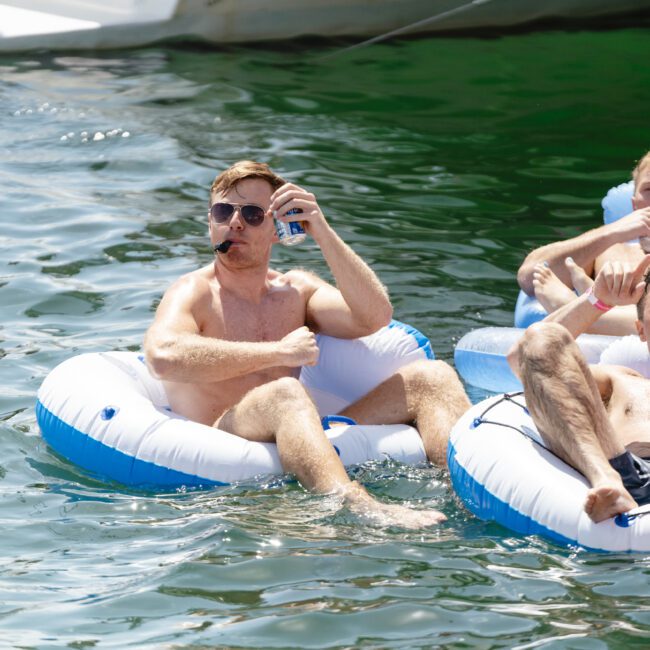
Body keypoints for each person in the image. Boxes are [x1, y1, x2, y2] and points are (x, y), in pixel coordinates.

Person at [144, 160, 470, 529]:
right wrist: (278, 352)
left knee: (432, 377)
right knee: (285, 391)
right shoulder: (196, 291)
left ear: (278, 230)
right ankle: (353, 502)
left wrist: (322, 230)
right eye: (223, 211)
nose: (234, 222)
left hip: (299, 427)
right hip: (225, 434)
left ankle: (464, 490)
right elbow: (163, 357)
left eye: (252, 214)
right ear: (210, 221)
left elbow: (373, 317)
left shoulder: (295, 290)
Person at [508, 254, 650, 523]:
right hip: (627, 473)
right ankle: (606, 481)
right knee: (541, 338)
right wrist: (598, 299)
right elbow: (522, 358)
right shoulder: (622, 381)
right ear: (641, 331)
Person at [517, 151, 650, 335]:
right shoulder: (610, 250)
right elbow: (529, 277)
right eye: (649, 190)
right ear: (634, 205)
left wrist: (572, 304)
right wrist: (612, 231)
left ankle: (587, 309)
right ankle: (594, 305)